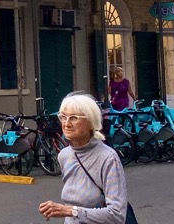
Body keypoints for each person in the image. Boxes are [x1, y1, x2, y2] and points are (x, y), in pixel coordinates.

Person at [39, 92, 130, 224]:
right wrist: (60, 210)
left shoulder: (108, 158)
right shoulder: (64, 156)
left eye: (74, 118)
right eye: (63, 117)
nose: (66, 124)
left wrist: (71, 211)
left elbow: (117, 215)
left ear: (91, 122)